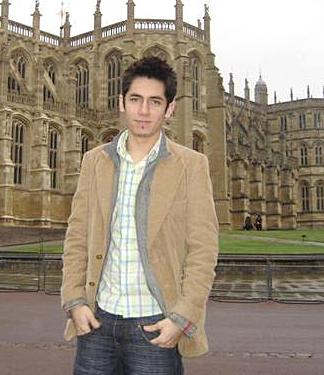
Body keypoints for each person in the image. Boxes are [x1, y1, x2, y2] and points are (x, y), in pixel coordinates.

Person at [61, 56, 219, 375]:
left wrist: (182, 316)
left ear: (169, 108)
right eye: (135, 99)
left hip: (156, 326)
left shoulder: (192, 165)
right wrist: (74, 301)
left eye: (154, 101)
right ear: (121, 103)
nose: (144, 111)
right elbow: (77, 237)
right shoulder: (95, 162)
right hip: (96, 323)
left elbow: (203, 250)